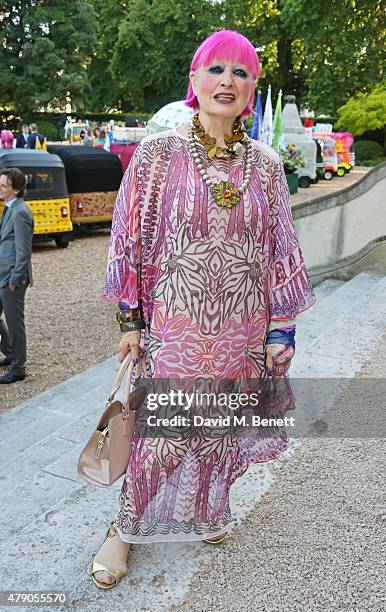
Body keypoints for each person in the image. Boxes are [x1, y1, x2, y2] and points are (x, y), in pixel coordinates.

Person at [92, 29, 316, 589]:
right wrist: (129, 321)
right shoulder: (158, 155)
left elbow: (280, 248)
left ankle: (208, 508)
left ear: (252, 87)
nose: (228, 81)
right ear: (194, 80)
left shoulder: (265, 164)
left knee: (219, 427)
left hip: (241, 328)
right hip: (175, 327)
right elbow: (130, 242)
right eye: (216, 69)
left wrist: (281, 328)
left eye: (241, 73)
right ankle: (123, 530)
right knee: (160, 432)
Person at [0, 168, 34, 384]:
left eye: (3, 185)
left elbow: (24, 252)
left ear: (16, 189)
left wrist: (14, 281)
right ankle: (11, 354)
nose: (0, 188)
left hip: (11, 279)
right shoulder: (10, 208)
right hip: (3, 275)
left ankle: (18, 367)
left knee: (15, 324)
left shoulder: (21, 212)